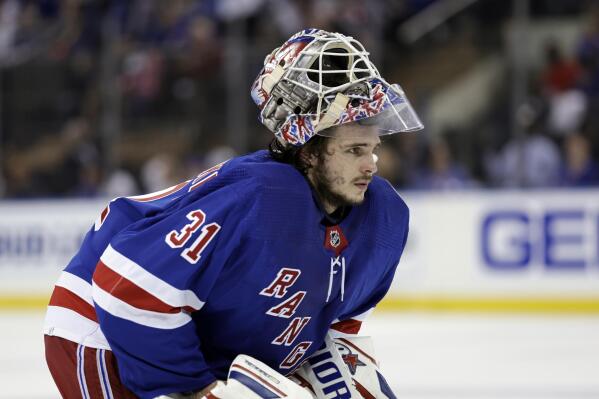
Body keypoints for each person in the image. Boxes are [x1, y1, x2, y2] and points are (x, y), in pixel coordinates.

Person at [43, 28, 423, 398]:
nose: (371, 165)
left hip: (195, 335)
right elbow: (126, 288)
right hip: (102, 324)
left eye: (372, 148)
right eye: (354, 151)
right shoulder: (262, 197)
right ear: (308, 151)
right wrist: (199, 389)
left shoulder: (384, 219)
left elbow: (335, 322)